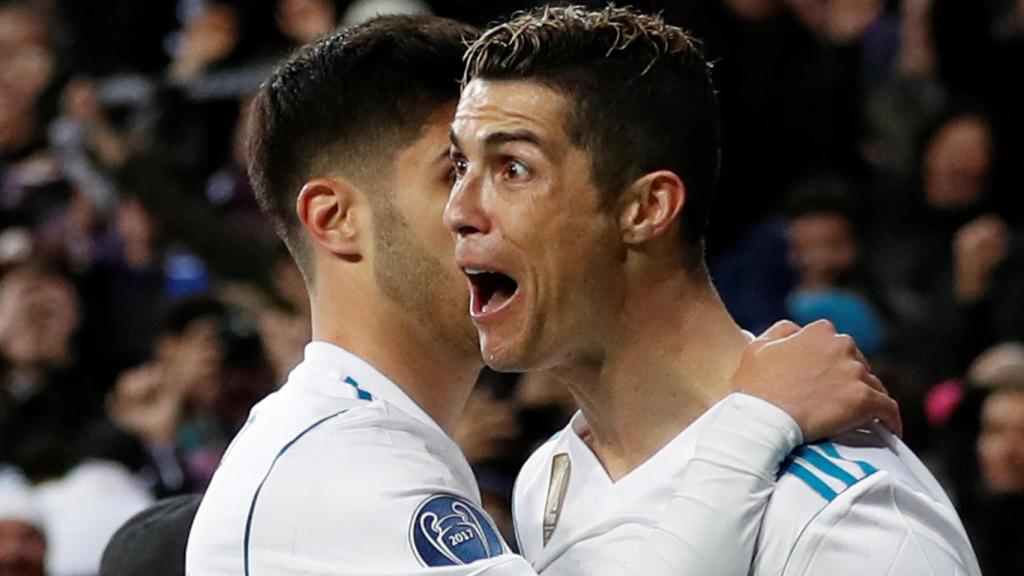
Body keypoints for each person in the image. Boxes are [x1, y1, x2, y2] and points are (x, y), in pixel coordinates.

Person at [186, 15, 893, 576]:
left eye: (509, 170)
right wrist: (759, 420)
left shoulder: (417, 458)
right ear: (335, 219)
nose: (470, 210)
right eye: (453, 170)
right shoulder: (336, 471)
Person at [446, 5, 978, 575]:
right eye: (459, 167)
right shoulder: (552, 478)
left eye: (514, 169)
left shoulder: (850, 522)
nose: (458, 210)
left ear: (647, 208)